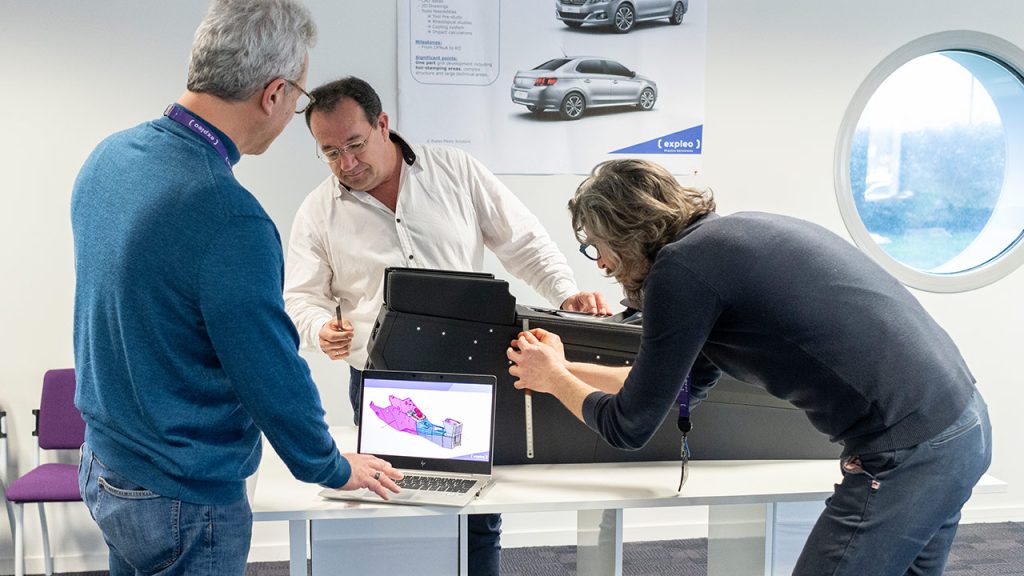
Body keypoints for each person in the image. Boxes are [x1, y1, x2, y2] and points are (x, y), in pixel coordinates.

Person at [507, 159, 992, 576]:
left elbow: (628, 425)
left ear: (625, 234)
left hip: (912, 451)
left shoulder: (680, 273)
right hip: (962, 425)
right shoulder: (725, 243)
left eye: (597, 246)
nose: (601, 265)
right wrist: (562, 365)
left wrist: (554, 380)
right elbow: (675, 392)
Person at [71, 3, 402, 575]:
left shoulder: (111, 157)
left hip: (107, 463)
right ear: (273, 94)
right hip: (180, 493)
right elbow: (267, 369)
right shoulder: (227, 216)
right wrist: (329, 465)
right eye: (297, 98)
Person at [283, 76, 610, 575]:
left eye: (354, 144)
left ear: (383, 125)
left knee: (476, 510)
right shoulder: (317, 211)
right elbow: (302, 297)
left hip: (469, 376)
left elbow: (522, 241)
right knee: (392, 505)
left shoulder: (454, 171)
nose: (345, 164)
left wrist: (565, 293)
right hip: (382, 382)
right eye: (329, 152)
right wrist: (320, 328)